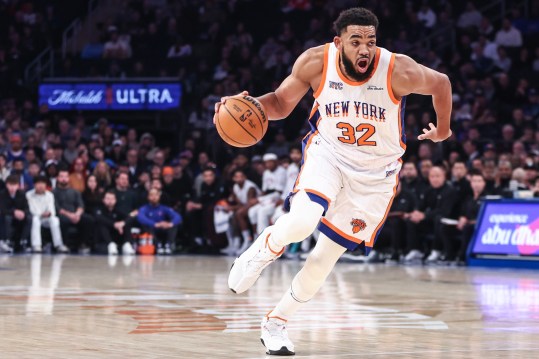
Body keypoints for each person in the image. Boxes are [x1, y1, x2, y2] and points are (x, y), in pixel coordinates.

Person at [215, 8, 452, 355]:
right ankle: (259, 253)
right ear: (339, 42)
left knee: (321, 262)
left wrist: (443, 128)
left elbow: (441, 83)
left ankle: (276, 323)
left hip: (375, 176)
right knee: (302, 221)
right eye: (356, 41)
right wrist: (248, 105)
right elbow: (281, 102)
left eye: (370, 41)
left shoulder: (398, 69)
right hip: (330, 156)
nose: (365, 50)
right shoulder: (315, 62)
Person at [54, 169, 95, 253]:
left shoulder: (75, 192)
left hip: (75, 215)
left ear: (69, 178)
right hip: (62, 215)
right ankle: (64, 244)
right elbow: (57, 208)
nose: (64, 179)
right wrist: (70, 215)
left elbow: (81, 205)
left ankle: (83, 244)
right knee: (62, 220)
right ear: (57, 178)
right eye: (61, 176)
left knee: (89, 219)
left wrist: (77, 214)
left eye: (66, 176)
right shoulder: (53, 192)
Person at [26, 176, 69, 253]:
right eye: (38, 183)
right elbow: (31, 210)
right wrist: (41, 214)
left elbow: (52, 210)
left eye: (43, 183)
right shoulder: (28, 195)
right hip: (36, 217)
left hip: (46, 218)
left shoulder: (50, 195)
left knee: (55, 220)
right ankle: (36, 245)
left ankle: (59, 245)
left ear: (46, 185)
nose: (41, 186)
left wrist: (49, 213)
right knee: (35, 219)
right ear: (34, 185)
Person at [137, 188, 182, 255]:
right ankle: (157, 245)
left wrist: (170, 224)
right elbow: (141, 217)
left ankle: (168, 245)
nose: (154, 197)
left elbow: (177, 217)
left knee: (174, 225)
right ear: (148, 197)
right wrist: (155, 224)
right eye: (152, 195)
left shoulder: (164, 208)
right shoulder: (144, 208)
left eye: (156, 195)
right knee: (146, 226)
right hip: (152, 228)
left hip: (163, 228)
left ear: (159, 197)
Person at [94, 190, 135, 255]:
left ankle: (127, 244)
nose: (110, 201)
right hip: (104, 238)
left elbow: (129, 217)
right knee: (102, 224)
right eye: (108, 199)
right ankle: (111, 245)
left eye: (112, 199)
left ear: (115, 200)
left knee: (127, 223)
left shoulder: (118, 209)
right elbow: (99, 218)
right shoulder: (99, 209)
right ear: (103, 200)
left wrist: (122, 223)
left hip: (117, 235)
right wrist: (114, 224)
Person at [0, 175, 30, 252]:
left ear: (18, 185)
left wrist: (23, 213)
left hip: (20, 216)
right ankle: (7, 241)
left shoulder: (22, 194)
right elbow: (2, 209)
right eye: (10, 185)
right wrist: (14, 212)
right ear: (6, 185)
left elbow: (27, 208)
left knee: (30, 218)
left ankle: (24, 241)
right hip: (7, 216)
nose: (12, 187)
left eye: (14, 185)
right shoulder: (2, 194)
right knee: (7, 218)